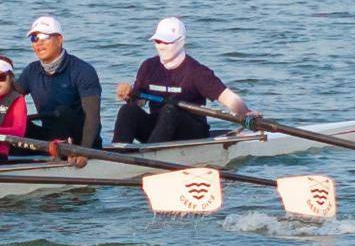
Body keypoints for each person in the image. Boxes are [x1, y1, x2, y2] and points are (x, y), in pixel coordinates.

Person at [113, 16, 249, 145]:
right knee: (127, 111)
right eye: (158, 41)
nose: (161, 46)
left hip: (191, 132)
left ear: (181, 41)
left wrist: (246, 114)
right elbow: (139, 102)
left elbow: (228, 98)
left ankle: (150, 153)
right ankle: (116, 154)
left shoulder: (196, 71)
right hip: (158, 129)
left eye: (167, 42)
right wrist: (129, 95)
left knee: (171, 109)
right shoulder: (148, 67)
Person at [17, 15, 103, 159]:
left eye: (45, 37)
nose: (39, 43)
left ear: (59, 39)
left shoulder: (83, 71)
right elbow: (9, 98)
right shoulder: (31, 71)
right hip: (50, 138)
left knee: (60, 111)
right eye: (34, 38)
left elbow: (93, 118)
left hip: (82, 141)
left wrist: (84, 152)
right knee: (19, 124)